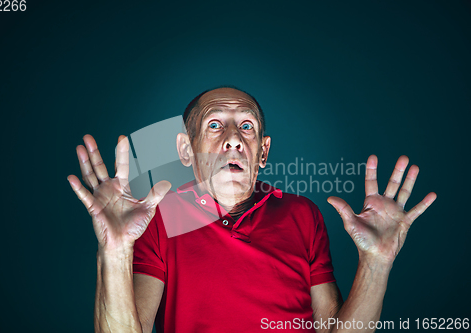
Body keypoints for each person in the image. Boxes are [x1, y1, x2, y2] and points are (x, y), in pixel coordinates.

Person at [68, 87, 436, 333]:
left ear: (262, 151)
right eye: (215, 125)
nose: (233, 139)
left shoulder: (302, 214)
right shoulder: (158, 217)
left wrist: (377, 261)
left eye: (247, 126)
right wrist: (114, 252)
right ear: (185, 150)